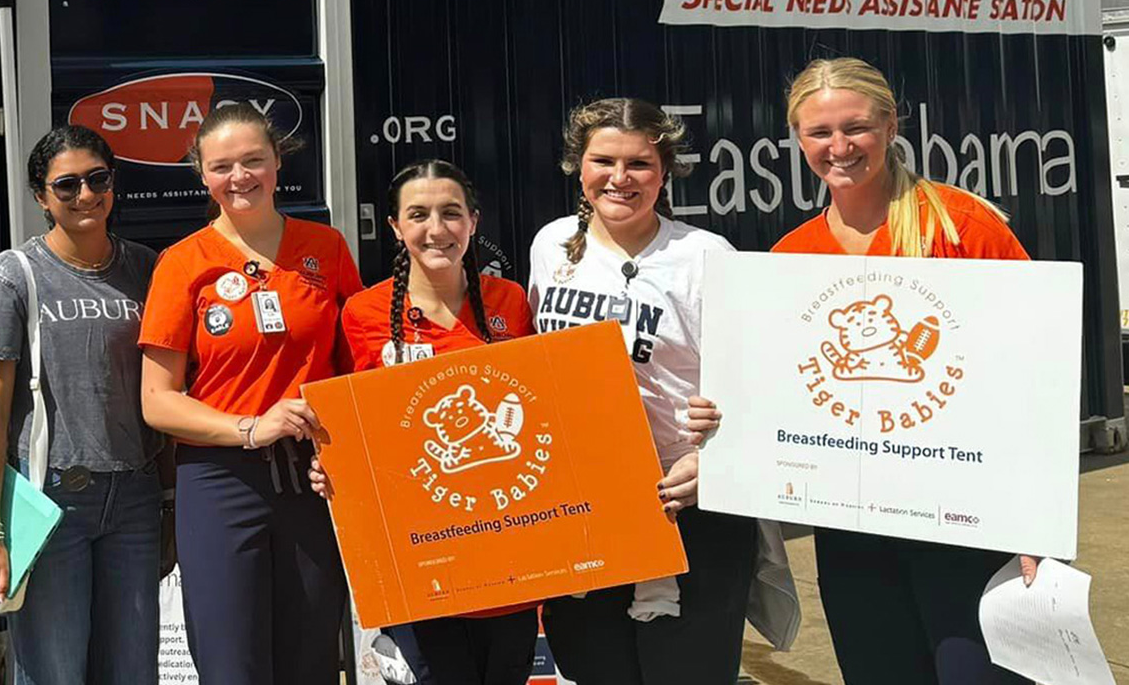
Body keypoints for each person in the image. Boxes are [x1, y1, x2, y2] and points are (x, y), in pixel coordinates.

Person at [773, 56, 1038, 685]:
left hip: (967, 519)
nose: (838, 147)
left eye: (856, 127)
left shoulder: (964, 229)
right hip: (853, 526)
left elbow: (1035, 376)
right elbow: (783, 392)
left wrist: (1037, 516)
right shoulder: (791, 255)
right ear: (798, 139)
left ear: (891, 125)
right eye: (818, 132)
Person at [525, 97, 759, 684]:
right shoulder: (551, 246)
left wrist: (715, 460)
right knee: (593, 669)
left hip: (687, 504)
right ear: (578, 166)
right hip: (586, 503)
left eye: (640, 165)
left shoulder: (703, 256)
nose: (620, 179)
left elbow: (758, 386)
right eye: (604, 160)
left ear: (665, 171)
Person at [138, 103, 362, 684]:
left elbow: (358, 370)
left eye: (253, 161)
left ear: (278, 162)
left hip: (314, 480)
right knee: (231, 666)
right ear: (202, 174)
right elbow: (158, 400)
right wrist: (251, 427)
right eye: (222, 166)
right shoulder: (182, 263)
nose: (239, 177)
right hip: (219, 481)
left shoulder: (327, 248)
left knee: (311, 662)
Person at [309, 159, 539, 685]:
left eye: (451, 213)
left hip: (506, 547)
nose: (436, 229)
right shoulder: (363, 315)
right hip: (418, 556)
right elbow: (343, 420)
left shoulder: (511, 304)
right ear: (395, 226)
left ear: (474, 222)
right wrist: (331, 464)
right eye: (418, 215)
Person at [0, 125, 165, 684]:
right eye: (67, 184)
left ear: (113, 183)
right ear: (40, 197)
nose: (85, 195)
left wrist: (168, 501)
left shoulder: (146, 269)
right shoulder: (15, 276)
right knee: (55, 672)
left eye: (97, 179)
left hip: (136, 500)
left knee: (132, 672)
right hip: (51, 502)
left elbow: (167, 393)